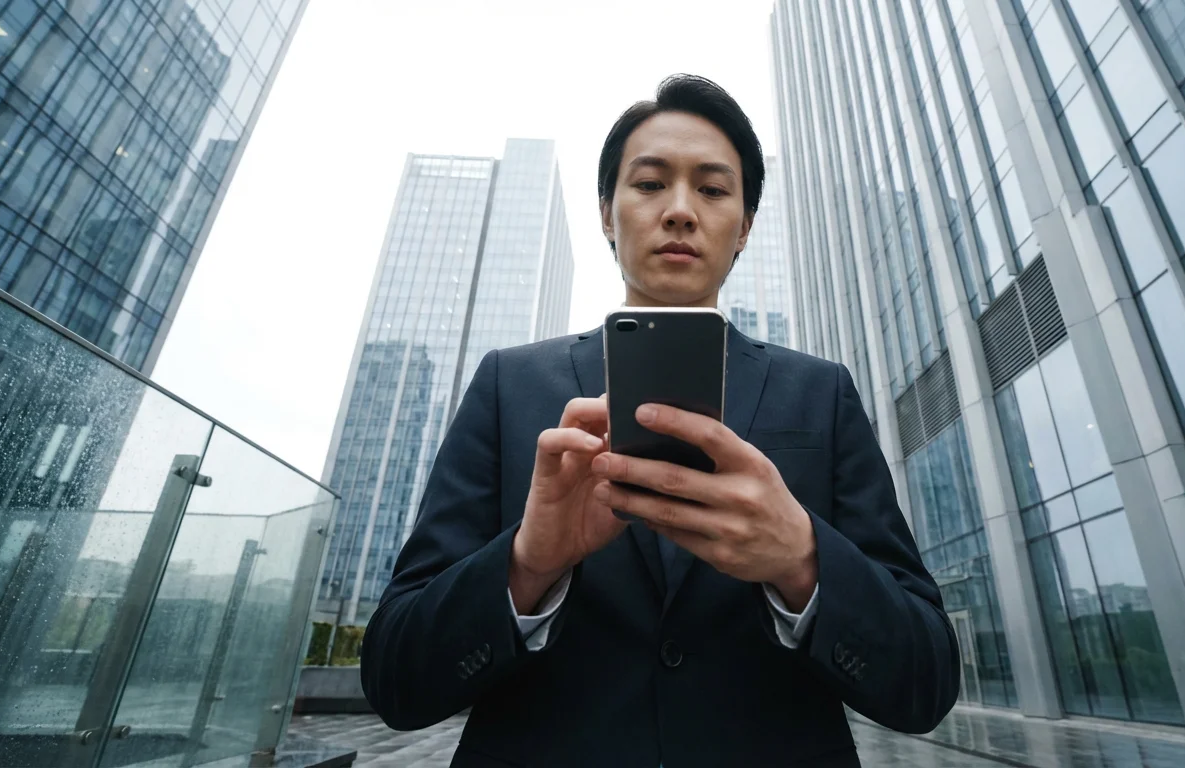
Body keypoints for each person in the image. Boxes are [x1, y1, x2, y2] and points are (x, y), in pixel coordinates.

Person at [360, 74, 959, 767]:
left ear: (745, 227)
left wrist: (801, 559)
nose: (680, 210)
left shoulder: (821, 392)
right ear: (608, 214)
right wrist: (530, 562)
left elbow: (927, 682)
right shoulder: (508, 384)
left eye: (712, 189)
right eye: (649, 184)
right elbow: (396, 681)